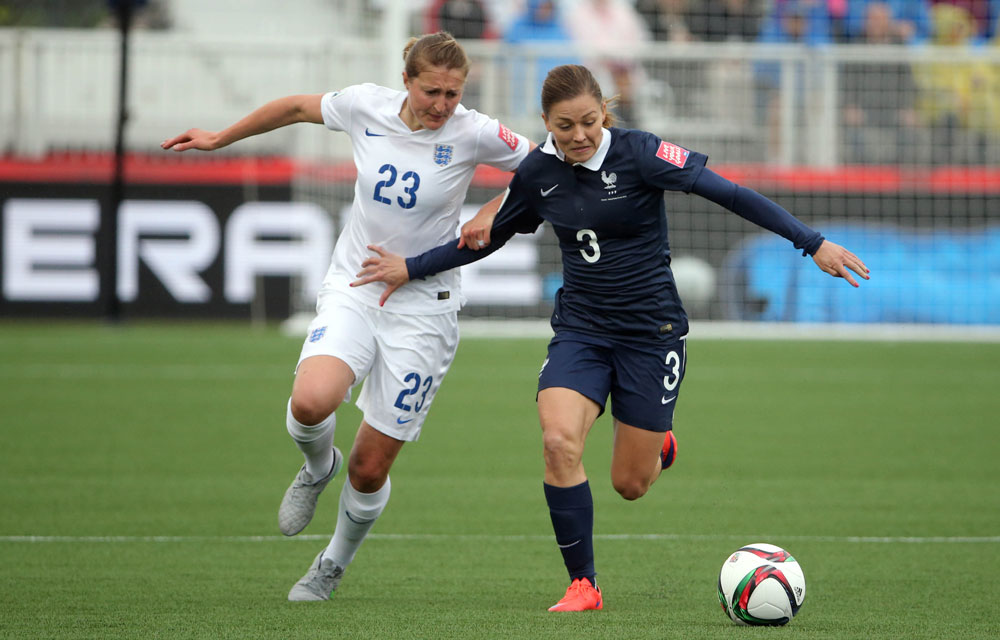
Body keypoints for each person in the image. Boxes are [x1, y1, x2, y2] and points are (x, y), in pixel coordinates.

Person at [351, 64, 869, 611]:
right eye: (564, 126)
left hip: (651, 335)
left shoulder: (641, 153)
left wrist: (811, 242)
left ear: (605, 112)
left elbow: (732, 195)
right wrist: (412, 267)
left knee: (630, 484)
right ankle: (584, 584)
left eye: (589, 122)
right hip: (582, 331)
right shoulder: (538, 172)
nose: (578, 135)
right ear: (546, 123)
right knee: (558, 443)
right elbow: (489, 238)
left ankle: (659, 444)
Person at [160, 32, 533, 601]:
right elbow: (294, 107)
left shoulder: (475, 131)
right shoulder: (365, 105)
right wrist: (219, 137)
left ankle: (331, 562)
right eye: (431, 91)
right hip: (356, 287)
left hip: (425, 310)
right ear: (406, 81)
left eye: (453, 94)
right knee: (311, 402)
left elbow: (546, 164)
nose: (441, 105)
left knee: (369, 468)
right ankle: (316, 467)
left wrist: (493, 208)